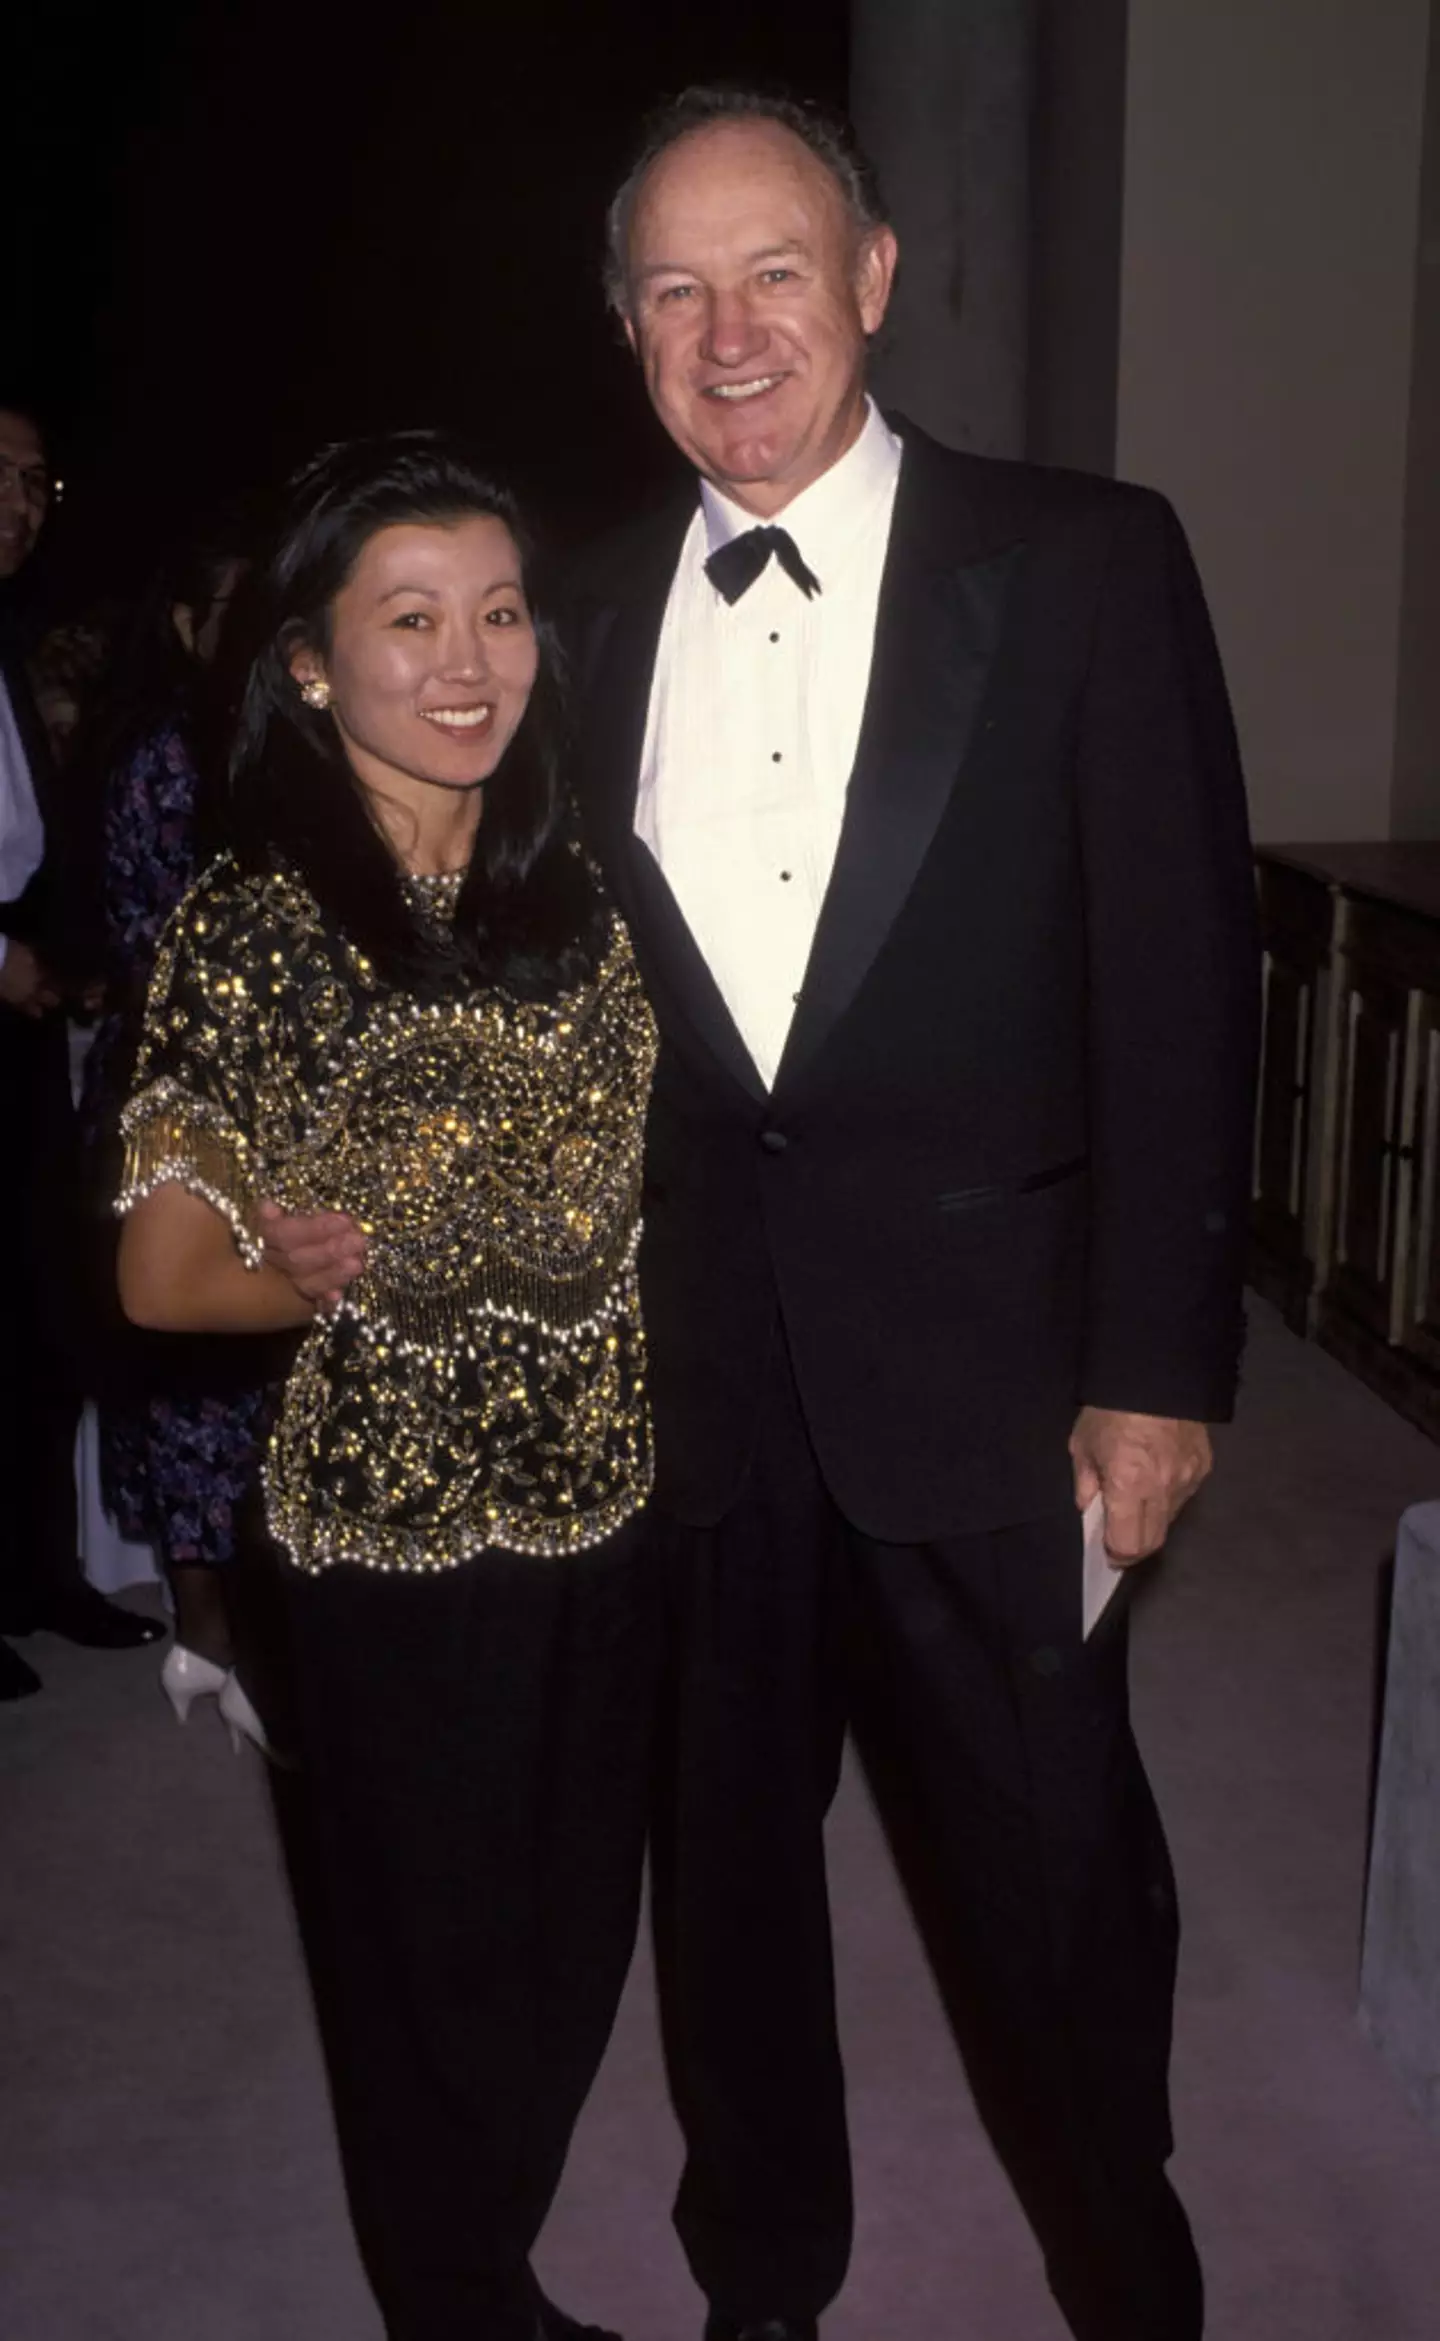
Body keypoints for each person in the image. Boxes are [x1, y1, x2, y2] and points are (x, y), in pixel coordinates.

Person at [268, 86, 1260, 2341]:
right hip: (693, 1399)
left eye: (778, 271)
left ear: (877, 279)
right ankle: (763, 2288)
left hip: (999, 1385)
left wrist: (1156, 1368)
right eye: (677, 291)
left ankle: (1134, 2274)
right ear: (623, 329)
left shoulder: (1090, 559)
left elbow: (1186, 990)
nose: (731, 333)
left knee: (1057, 1881)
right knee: (730, 1903)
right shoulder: (574, 616)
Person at [115, 430, 659, 2341]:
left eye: (499, 612)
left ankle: (478, 2252)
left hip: (602, 1504)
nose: (468, 658)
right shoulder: (253, 926)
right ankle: (463, 2304)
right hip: (384, 1537)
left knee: (576, 1935)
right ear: (312, 667)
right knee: (420, 1963)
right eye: (409, 617)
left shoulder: (574, 880)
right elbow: (163, 1269)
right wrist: (295, 1264)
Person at [70, 537, 280, 1749]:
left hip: (259, 1086)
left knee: (252, 1371)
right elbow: (159, 944)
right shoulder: (166, 753)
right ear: (191, 626)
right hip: (183, 1091)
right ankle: (212, 1635)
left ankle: (229, 1634)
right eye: (230, 609)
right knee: (194, 1369)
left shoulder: (270, 739)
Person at [0, 391, 163, 1701]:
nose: (18, 502)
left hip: (20, 1004)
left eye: (35, 481)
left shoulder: (14, 638)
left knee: (43, 1301)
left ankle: (39, 1574)